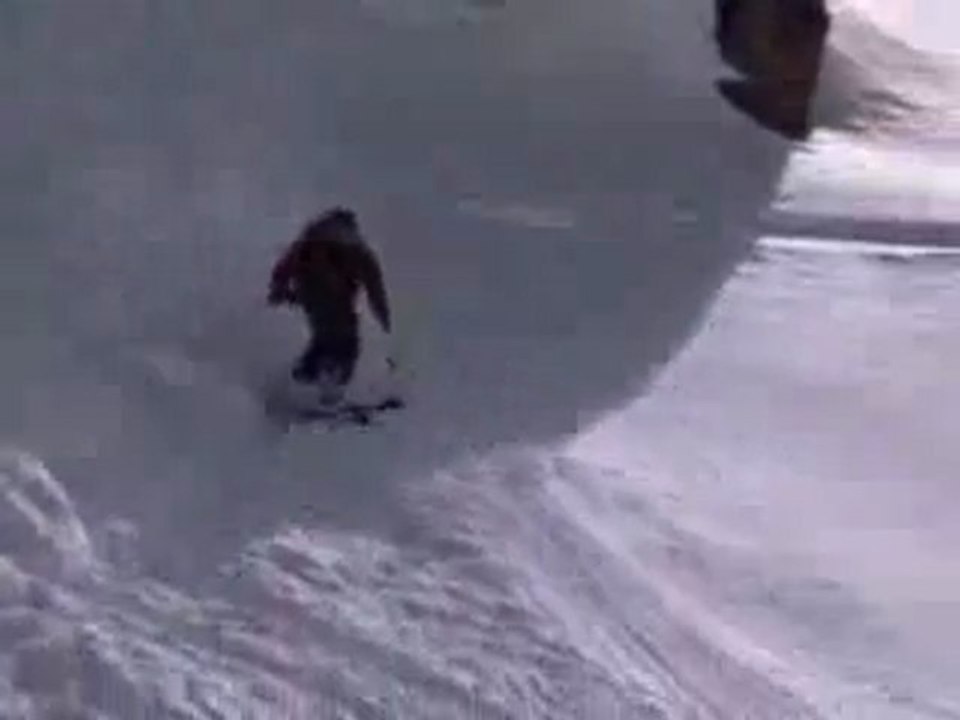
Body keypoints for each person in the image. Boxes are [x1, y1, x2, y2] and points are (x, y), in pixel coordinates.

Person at [268, 207, 392, 390]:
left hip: (310, 291)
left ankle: (302, 382)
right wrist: (385, 321)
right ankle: (328, 393)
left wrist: (280, 293)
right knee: (346, 343)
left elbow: (283, 268)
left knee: (325, 339)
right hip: (331, 296)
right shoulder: (356, 248)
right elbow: (375, 289)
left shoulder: (311, 239)